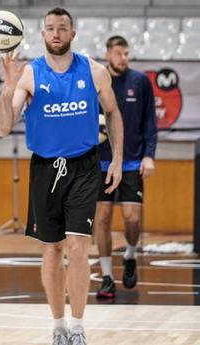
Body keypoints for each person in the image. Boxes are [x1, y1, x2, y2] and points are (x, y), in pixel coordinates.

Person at [0, 8, 124, 345]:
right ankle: (58, 326)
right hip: (44, 168)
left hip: (83, 165)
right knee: (52, 251)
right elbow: (4, 127)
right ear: (42, 34)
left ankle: (78, 325)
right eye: (50, 28)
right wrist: (8, 89)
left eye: (62, 28)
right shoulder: (29, 74)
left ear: (73, 34)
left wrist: (118, 159)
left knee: (79, 247)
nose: (56, 33)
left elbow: (113, 114)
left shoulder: (94, 72)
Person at [95, 35, 157, 299]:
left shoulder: (139, 81)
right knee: (103, 219)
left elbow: (150, 121)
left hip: (131, 161)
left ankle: (130, 256)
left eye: (126, 53)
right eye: (119, 53)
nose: (124, 58)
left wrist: (149, 155)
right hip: (99, 162)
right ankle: (107, 277)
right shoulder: (97, 81)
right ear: (108, 54)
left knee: (132, 217)